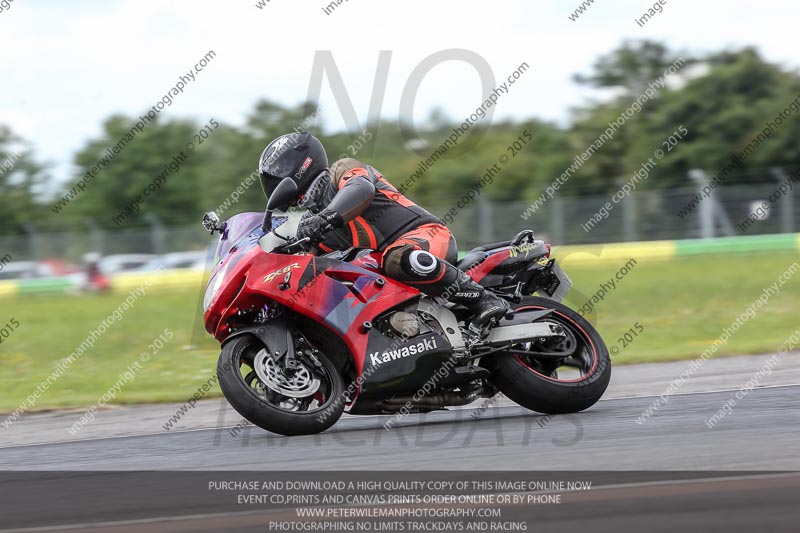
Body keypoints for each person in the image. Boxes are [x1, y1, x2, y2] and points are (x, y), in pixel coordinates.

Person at [258, 131, 508, 333]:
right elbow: (304, 264)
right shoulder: (315, 226)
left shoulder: (342, 170)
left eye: (277, 175)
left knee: (398, 259)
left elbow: (360, 190)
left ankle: (484, 299)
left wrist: (323, 219)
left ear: (299, 165)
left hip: (426, 235)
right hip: (388, 268)